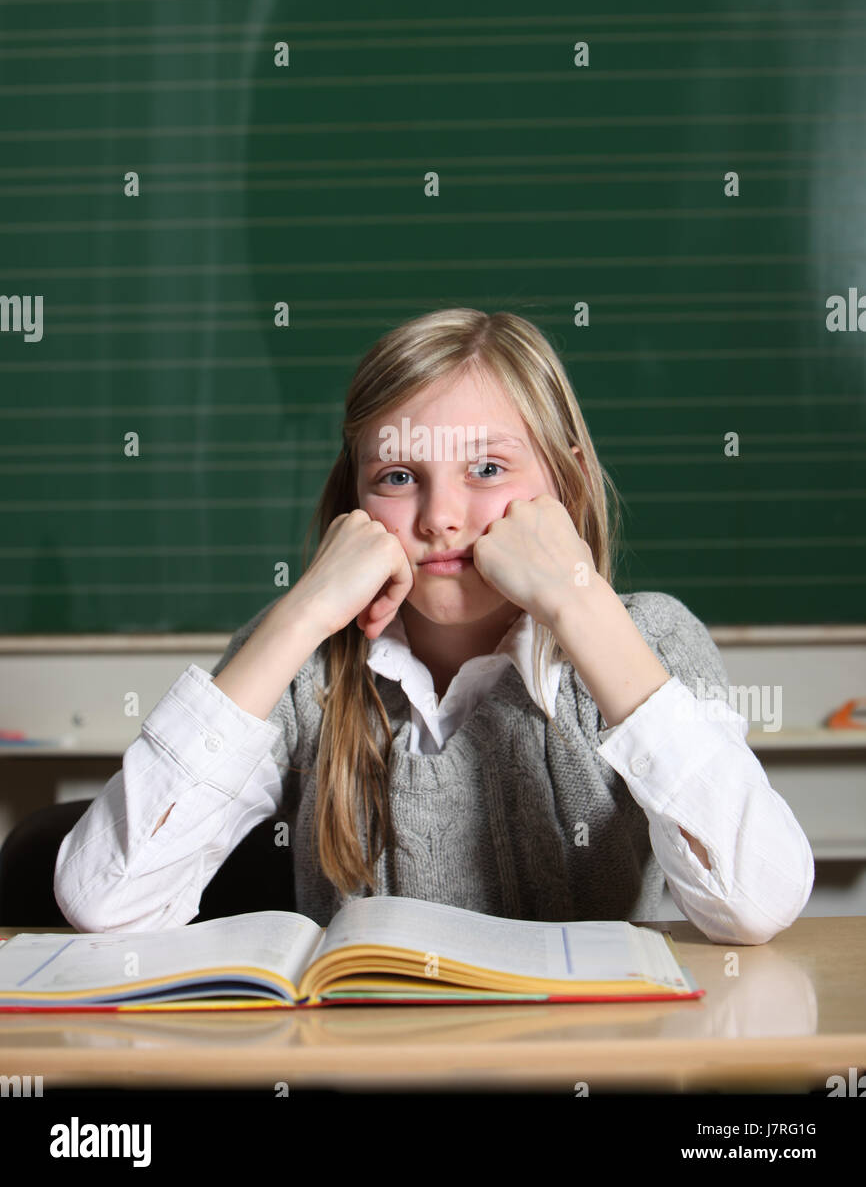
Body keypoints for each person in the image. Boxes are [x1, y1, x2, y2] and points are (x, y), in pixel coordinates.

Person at [54, 308, 814, 942]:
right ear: (354, 503)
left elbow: (759, 900)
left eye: (487, 469)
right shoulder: (302, 666)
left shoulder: (647, 641)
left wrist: (581, 604)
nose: (442, 517)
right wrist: (304, 612)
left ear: (567, 483)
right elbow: (106, 901)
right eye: (397, 477)